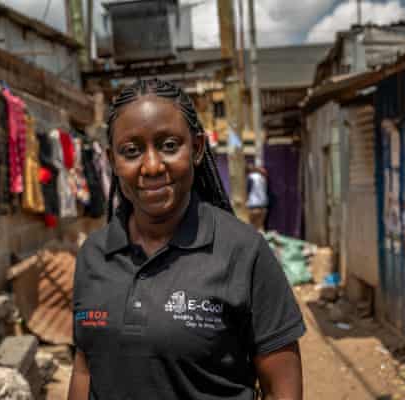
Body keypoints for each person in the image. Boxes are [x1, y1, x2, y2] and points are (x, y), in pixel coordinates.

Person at [69, 79, 305, 400]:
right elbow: (84, 367)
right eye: (131, 151)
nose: (152, 166)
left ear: (195, 149)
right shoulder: (93, 254)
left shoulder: (243, 252)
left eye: (169, 145)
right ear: (112, 160)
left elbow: (282, 390)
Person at [246, 164, 269, 231]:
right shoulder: (263, 178)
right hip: (263, 205)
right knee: (260, 226)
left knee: (252, 227)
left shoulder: (250, 177)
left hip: (253, 205)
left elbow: (248, 190)